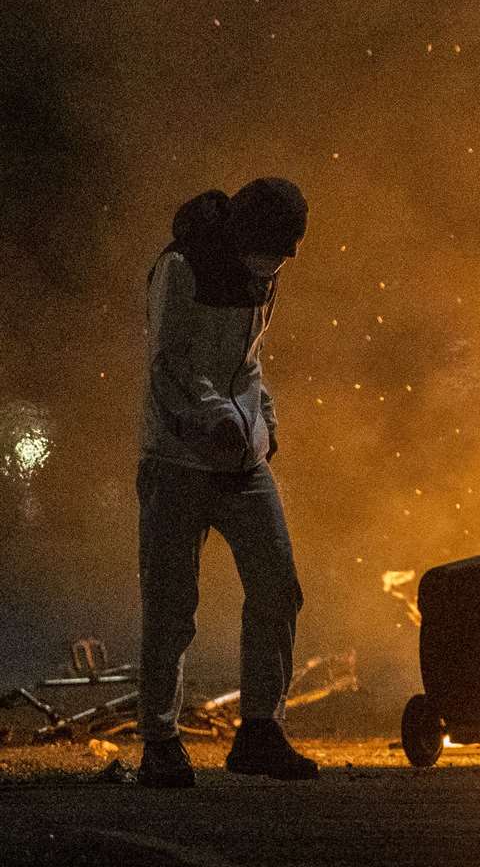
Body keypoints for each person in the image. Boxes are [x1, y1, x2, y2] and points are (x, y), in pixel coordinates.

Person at [136, 178, 319, 787]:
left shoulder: (261, 272)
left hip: (243, 464)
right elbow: (171, 364)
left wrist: (263, 418)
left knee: (277, 588)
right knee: (171, 606)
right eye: (277, 245)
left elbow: (248, 359)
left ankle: (261, 731)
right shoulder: (182, 268)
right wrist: (210, 422)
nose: (283, 260)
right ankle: (160, 741)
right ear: (245, 232)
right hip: (178, 462)